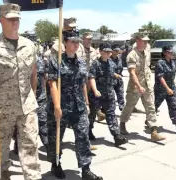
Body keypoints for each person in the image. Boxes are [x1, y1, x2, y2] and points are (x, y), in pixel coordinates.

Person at [0, 4, 42, 179]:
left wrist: (33, 96)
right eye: (10, 19)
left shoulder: (29, 45)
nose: (15, 22)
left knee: (30, 142)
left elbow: (33, 74)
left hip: (27, 104)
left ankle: (32, 175)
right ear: (1, 20)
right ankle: (3, 168)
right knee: (1, 143)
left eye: (17, 19)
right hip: (3, 105)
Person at [46, 30, 102, 180]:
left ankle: (86, 169)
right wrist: (57, 106)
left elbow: (83, 83)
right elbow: (52, 85)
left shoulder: (82, 62)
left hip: (79, 106)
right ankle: (55, 164)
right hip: (61, 106)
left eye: (77, 42)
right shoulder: (55, 61)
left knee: (83, 136)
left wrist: (87, 102)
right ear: (65, 43)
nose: (76, 44)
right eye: (72, 41)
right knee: (56, 137)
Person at [119, 33, 165, 141]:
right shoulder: (132, 55)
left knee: (151, 107)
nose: (146, 43)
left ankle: (154, 131)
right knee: (129, 107)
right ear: (138, 41)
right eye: (144, 41)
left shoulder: (147, 51)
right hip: (135, 86)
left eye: (147, 41)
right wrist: (138, 86)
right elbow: (132, 73)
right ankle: (122, 124)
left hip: (147, 85)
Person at [88, 42, 127, 146]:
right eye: (106, 52)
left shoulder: (111, 63)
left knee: (111, 114)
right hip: (97, 94)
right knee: (92, 114)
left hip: (109, 94)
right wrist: (95, 90)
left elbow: (109, 72)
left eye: (109, 52)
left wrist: (115, 75)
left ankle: (116, 136)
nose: (108, 53)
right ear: (100, 51)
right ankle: (88, 131)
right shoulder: (95, 63)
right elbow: (91, 77)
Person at [154, 46, 176, 134]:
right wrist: (167, 88)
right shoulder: (160, 63)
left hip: (171, 87)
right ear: (165, 53)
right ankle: (149, 120)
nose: (171, 53)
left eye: (172, 52)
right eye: (169, 52)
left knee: (173, 106)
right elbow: (160, 77)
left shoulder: (173, 62)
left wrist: (171, 88)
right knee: (154, 106)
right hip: (161, 89)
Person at [111, 44, 125, 111]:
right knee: (111, 97)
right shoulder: (108, 59)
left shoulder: (119, 59)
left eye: (118, 50)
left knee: (121, 95)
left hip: (119, 81)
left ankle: (122, 109)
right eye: (115, 50)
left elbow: (121, 68)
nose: (117, 52)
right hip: (110, 81)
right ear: (112, 51)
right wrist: (114, 74)